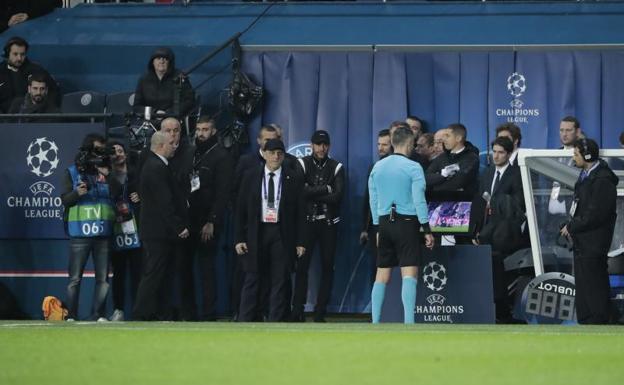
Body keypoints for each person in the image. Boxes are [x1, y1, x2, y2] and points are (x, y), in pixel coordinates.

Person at [368, 125, 435, 324]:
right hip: (407, 223)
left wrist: (377, 227)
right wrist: (426, 229)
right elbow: (419, 199)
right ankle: (409, 323)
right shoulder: (414, 167)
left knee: (382, 273)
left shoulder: (377, 167)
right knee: (409, 272)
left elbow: (373, 199)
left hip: (384, 223)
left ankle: (374, 322)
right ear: (409, 143)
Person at [235, 138, 306, 322]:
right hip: (257, 232)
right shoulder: (250, 175)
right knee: (252, 277)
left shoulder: (294, 177)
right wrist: (239, 238)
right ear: (264, 154)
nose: (276, 156)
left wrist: (300, 241)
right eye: (272, 153)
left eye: (280, 153)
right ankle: (245, 319)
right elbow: (240, 209)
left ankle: (275, 321)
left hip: (281, 233)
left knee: (280, 279)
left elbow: (301, 212)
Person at [560, 138, 618, 324]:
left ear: (587, 155)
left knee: (594, 282)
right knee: (584, 283)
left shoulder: (602, 180)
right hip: (582, 241)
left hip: (594, 241)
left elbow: (596, 214)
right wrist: (569, 224)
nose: (573, 157)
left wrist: (572, 226)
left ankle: (598, 319)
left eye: (576, 154)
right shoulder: (586, 176)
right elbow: (581, 208)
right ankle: (586, 318)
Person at [133, 131, 190, 321]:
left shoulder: (156, 165)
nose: (175, 146)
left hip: (158, 232)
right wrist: (178, 226)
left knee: (160, 273)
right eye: (171, 144)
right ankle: (142, 313)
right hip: (158, 232)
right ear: (160, 146)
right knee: (154, 273)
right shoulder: (156, 167)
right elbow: (164, 203)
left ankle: (156, 311)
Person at [60, 133, 116, 321]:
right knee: (74, 279)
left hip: (103, 233)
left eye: (102, 150)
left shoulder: (107, 172)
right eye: (97, 150)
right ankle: (71, 316)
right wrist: (77, 193)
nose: (100, 154)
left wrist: (109, 175)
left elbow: (117, 195)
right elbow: (65, 200)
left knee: (103, 279)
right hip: (80, 233)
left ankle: (98, 315)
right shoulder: (73, 172)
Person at [292, 130, 345, 322]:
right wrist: (325, 188)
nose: (321, 148)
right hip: (306, 223)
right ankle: (297, 311)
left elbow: (337, 197)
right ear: (312, 145)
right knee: (301, 267)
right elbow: (299, 193)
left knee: (327, 267)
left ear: (329, 146)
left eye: (324, 144)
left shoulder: (337, 166)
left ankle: (320, 312)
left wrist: (311, 191)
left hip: (328, 223)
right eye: (318, 144)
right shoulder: (302, 163)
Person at [471, 136, 525, 323]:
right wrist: (476, 230)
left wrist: (498, 203)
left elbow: (518, 206)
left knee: (498, 270)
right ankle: (490, 309)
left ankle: (502, 311)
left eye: (501, 152)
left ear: (509, 154)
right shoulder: (487, 173)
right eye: (494, 151)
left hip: (505, 233)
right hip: (486, 231)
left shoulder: (517, 174)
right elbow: (479, 203)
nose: (496, 155)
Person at [188, 116, 234, 320]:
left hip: (208, 219)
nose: (200, 133)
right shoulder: (192, 153)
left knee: (207, 267)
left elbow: (223, 192)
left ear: (214, 132)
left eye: (205, 129)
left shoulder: (222, 156)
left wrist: (212, 221)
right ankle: (187, 311)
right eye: (198, 129)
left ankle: (209, 312)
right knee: (186, 266)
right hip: (189, 218)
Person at [108, 140, 142, 322]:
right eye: (113, 152)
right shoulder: (106, 176)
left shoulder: (137, 174)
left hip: (137, 228)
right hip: (116, 229)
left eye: (120, 151)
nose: (118, 154)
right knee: (119, 273)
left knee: (139, 272)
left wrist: (141, 195)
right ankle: (118, 309)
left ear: (126, 154)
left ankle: (139, 310)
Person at [360, 129, 392, 284]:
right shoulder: (374, 167)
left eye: (385, 144)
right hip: (375, 226)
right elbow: (368, 199)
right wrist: (365, 228)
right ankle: (378, 307)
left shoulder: (400, 166)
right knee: (377, 265)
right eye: (379, 144)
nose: (380, 148)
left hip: (394, 224)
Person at [0, 36, 59, 113]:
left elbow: (54, 92)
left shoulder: (37, 70)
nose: (19, 58)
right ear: (8, 54)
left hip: (33, 119)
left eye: (22, 54)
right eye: (15, 54)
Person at [134, 47, 195, 118]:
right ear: (152, 62)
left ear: (170, 62)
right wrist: (155, 112)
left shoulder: (179, 76)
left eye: (165, 59)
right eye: (158, 59)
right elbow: (137, 106)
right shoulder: (144, 79)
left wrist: (168, 113)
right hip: (150, 119)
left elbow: (189, 101)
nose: (161, 61)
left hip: (173, 118)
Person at [426, 123, 480, 201]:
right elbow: (426, 178)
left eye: (447, 136)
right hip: (438, 203)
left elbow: (458, 182)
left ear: (458, 138)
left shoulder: (471, 158)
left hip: (462, 205)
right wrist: (444, 176)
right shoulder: (442, 157)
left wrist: (436, 185)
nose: (444, 139)